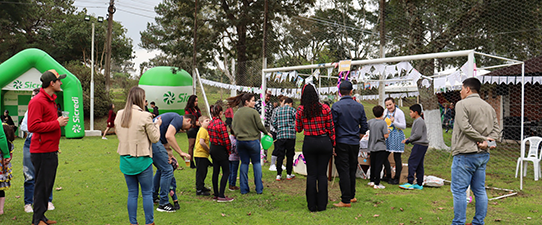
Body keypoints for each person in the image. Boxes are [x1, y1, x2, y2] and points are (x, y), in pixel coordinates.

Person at [451, 78, 499, 225]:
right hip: (482, 155)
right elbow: (497, 128)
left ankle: (458, 223)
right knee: (479, 191)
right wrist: (488, 141)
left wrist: (482, 139)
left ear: (468, 89)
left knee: (459, 191)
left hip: (465, 154)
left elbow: (464, 127)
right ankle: (478, 222)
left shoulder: (461, 104)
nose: (460, 91)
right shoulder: (489, 107)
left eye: (461, 88)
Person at [27, 69, 69, 225]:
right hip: (42, 151)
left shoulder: (50, 100)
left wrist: (55, 144)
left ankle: (41, 216)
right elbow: (32, 126)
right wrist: (56, 123)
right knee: (42, 186)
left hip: (50, 149)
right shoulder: (37, 101)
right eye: (59, 80)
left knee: (47, 185)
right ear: (52, 83)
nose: (61, 83)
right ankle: (37, 220)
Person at [115, 86, 161, 225]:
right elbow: (155, 138)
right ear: (141, 99)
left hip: (125, 158)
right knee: (147, 193)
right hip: (142, 159)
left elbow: (118, 134)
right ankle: (149, 222)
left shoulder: (119, 114)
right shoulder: (145, 116)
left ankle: (133, 222)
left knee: (132, 193)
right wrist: (157, 125)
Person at [295, 84, 335, 212]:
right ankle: (322, 205)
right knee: (322, 174)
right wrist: (333, 144)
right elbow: (331, 128)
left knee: (311, 174)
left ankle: (311, 205)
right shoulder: (325, 108)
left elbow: (298, 129)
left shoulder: (301, 110)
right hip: (324, 141)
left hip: (310, 142)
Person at [331, 80, 368, 207]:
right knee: (352, 169)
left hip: (341, 142)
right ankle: (351, 195)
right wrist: (358, 136)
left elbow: (333, 127)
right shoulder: (359, 106)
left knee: (344, 170)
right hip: (354, 142)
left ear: (339, 92)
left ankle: (345, 199)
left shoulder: (336, 106)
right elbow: (364, 126)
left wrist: (333, 144)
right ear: (351, 91)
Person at [20, 89, 54, 213]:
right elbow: (24, 126)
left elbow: (52, 125)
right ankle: (28, 203)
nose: (33, 98)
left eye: (35, 96)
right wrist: (40, 128)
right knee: (29, 174)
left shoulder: (47, 109)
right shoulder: (30, 110)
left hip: (45, 143)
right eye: (32, 96)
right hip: (30, 142)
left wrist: (39, 127)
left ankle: (48, 200)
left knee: (46, 174)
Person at [151, 112, 193, 212]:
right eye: (190, 126)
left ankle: (153, 196)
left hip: (152, 140)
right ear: (188, 120)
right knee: (167, 170)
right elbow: (169, 136)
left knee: (162, 169)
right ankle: (163, 203)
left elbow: (165, 140)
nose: (188, 129)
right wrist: (181, 152)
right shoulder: (178, 119)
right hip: (153, 141)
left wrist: (171, 156)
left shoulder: (173, 119)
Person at [229, 93, 270, 195]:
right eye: (253, 100)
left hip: (240, 142)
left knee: (244, 163)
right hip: (252, 141)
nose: (254, 102)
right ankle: (259, 189)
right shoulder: (253, 112)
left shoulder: (237, 113)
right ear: (246, 102)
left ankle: (244, 189)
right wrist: (266, 132)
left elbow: (233, 127)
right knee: (256, 163)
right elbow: (260, 125)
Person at [208, 104, 234, 202]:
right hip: (220, 149)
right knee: (226, 171)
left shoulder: (210, 123)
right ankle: (221, 195)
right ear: (220, 113)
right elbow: (226, 140)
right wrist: (229, 150)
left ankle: (216, 193)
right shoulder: (221, 124)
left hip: (213, 148)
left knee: (216, 171)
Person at [399, 104, 429, 190]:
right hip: (421, 145)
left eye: (411, 112)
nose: (410, 113)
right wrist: (410, 140)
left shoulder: (419, 121)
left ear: (416, 112)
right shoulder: (418, 120)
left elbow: (418, 134)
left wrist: (409, 140)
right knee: (419, 164)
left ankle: (410, 182)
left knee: (412, 162)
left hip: (420, 145)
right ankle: (419, 184)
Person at [382, 97, 406, 185]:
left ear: (394, 103)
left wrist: (394, 121)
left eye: (390, 104)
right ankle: (388, 175)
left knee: (397, 158)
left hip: (397, 136)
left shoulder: (399, 113)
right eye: (387, 105)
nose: (389, 107)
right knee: (384, 156)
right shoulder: (385, 112)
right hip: (388, 135)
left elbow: (403, 126)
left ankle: (397, 177)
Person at [272, 97, 297, 181]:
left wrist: (279, 128)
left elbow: (274, 122)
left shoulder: (278, 110)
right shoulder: (292, 110)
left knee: (280, 155)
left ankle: (278, 174)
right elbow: (297, 120)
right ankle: (288, 173)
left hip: (280, 136)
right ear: (290, 103)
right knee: (290, 155)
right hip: (290, 136)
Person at [367, 105, 390, 190]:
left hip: (372, 146)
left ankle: (372, 180)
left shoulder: (370, 122)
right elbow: (385, 135)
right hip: (380, 146)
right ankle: (377, 183)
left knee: (372, 164)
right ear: (383, 113)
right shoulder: (383, 123)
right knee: (379, 165)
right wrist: (388, 132)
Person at [194, 116, 211, 196]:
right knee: (201, 172)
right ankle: (199, 189)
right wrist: (208, 149)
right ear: (201, 123)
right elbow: (201, 142)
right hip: (200, 154)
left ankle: (201, 186)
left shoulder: (204, 130)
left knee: (204, 171)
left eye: (209, 120)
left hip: (203, 155)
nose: (208, 122)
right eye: (206, 121)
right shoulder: (203, 130)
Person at [254, 90, 273, 163]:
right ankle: (257, 157)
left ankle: (264, 158)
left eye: (269, 96)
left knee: (266, 141)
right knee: (258, 141)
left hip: (267, 125)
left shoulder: (270, 105)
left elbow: (270, 115)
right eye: (267, 96)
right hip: (258, 126)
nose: (268, 97)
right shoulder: (258, 103)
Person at [185, 95, 201, 169]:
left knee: (198, 145)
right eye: (195, 101)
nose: (196, 103)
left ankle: (199, 160)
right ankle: (191, 161)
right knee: (191, 145)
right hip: (191, 129)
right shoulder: (188, 110)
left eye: (197, 101)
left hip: (198, 128)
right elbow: (188, 119)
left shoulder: (197, 109)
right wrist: (196, 123)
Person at [0, 125, 13, 215]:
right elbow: (9, 157)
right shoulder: (9, 145)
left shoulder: (4, 143)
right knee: (1, 190)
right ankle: (1, 209)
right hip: (2, 171)